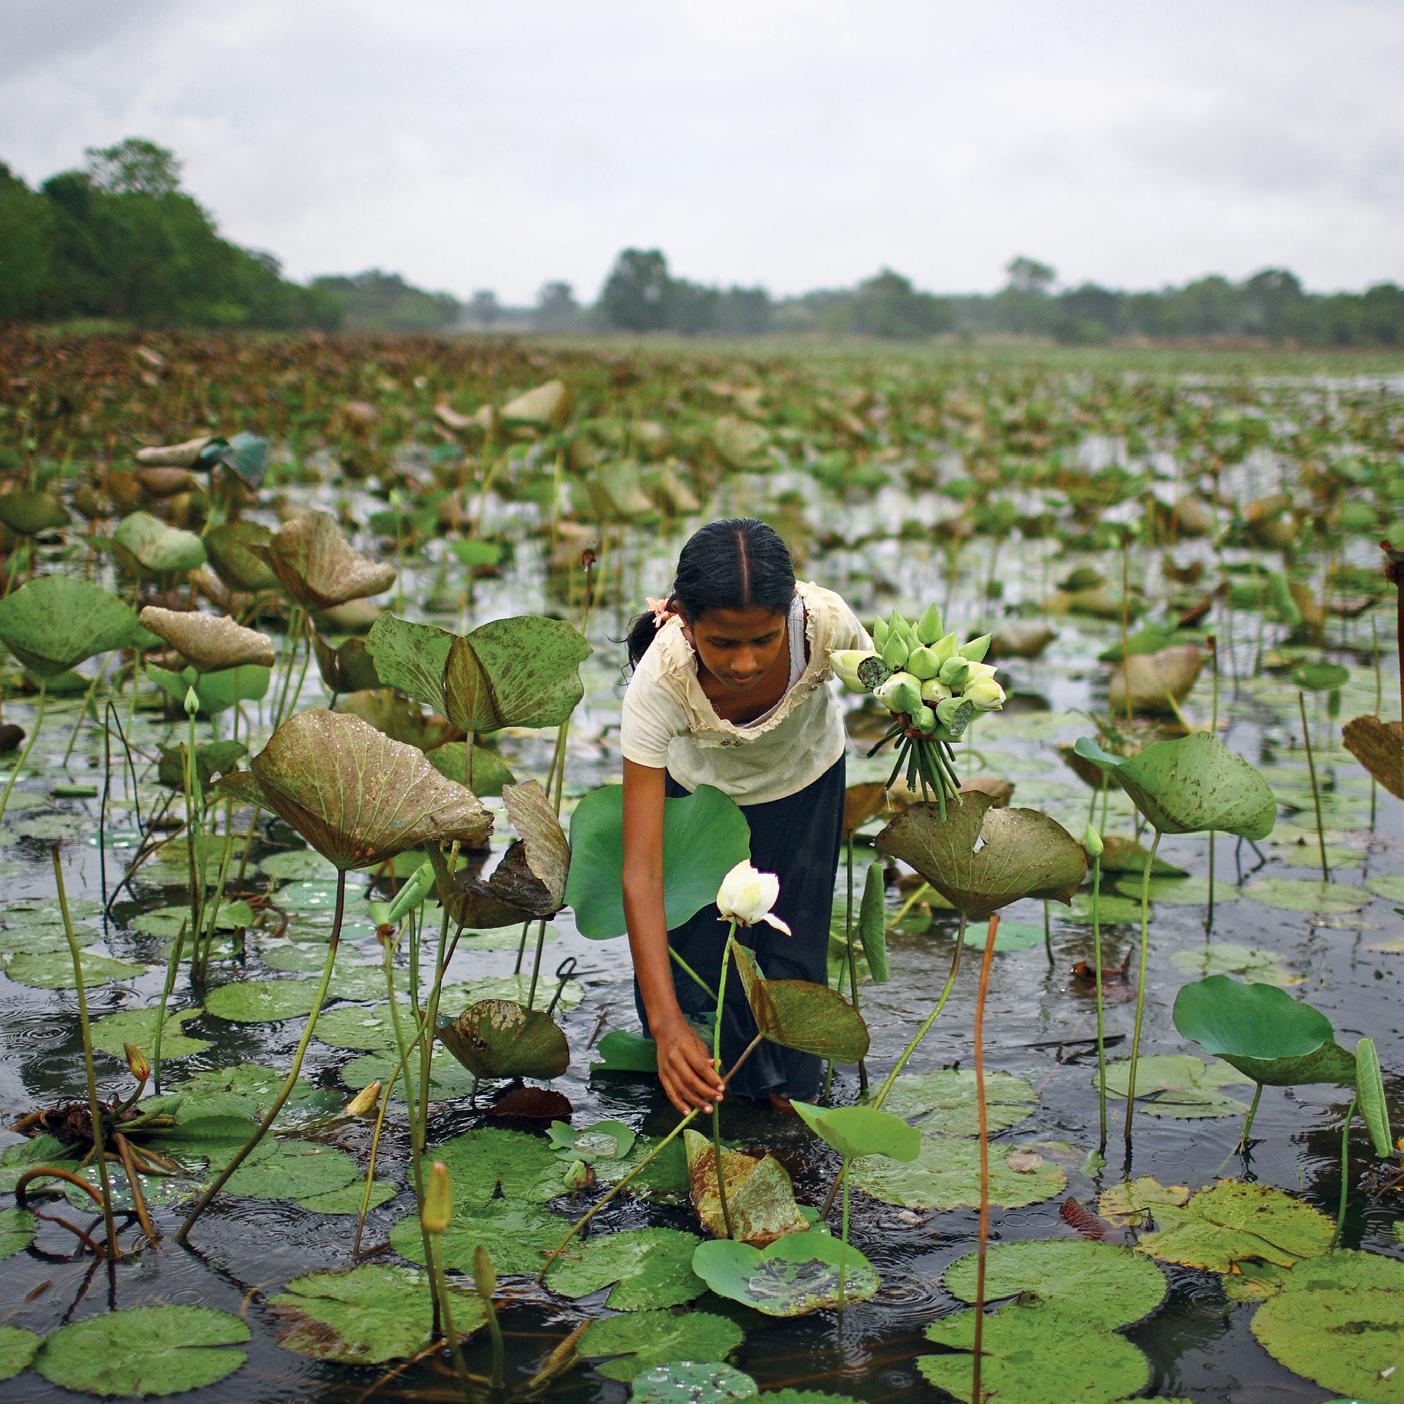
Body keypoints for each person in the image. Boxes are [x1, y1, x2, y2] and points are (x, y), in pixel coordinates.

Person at [620, 518, 872, 1115]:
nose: (743, 663)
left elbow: (883, 680)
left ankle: (790, 1102)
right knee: (696, 969)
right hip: (699, 796)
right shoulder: (660, 681)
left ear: (787, 614)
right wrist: (665, 1026)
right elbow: (643, 873)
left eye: (762, 640)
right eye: (723, 644)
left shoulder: (825, 623)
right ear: (684, 619)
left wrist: (922, 712)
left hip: (806, 782)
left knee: (791, 959)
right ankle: (706, 1088)